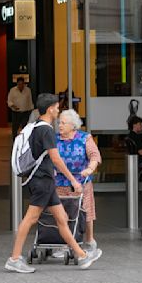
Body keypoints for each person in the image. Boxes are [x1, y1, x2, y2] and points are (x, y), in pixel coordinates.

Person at [5, 93, 102, 273]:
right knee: (30, 219)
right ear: (50, 109)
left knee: (62, 219)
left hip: (46, 182)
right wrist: (74, 180)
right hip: (42, 182)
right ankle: (14, 258)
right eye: (57, 107)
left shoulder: (35, 126)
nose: (58, 110)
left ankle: (81, 255)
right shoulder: (47, 130)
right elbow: (56, 159)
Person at [54, 109, 102, 256]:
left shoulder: (84, 138)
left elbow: (95, 155)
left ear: (73, 125)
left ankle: (89, 240)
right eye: (59, 122)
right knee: (63, 214)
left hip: (81, 181)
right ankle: (65, 244)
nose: (60, 125)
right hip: (60, 182)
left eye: (63, 123)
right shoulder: (55, 139)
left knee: (86, 211)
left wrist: (90, 168)